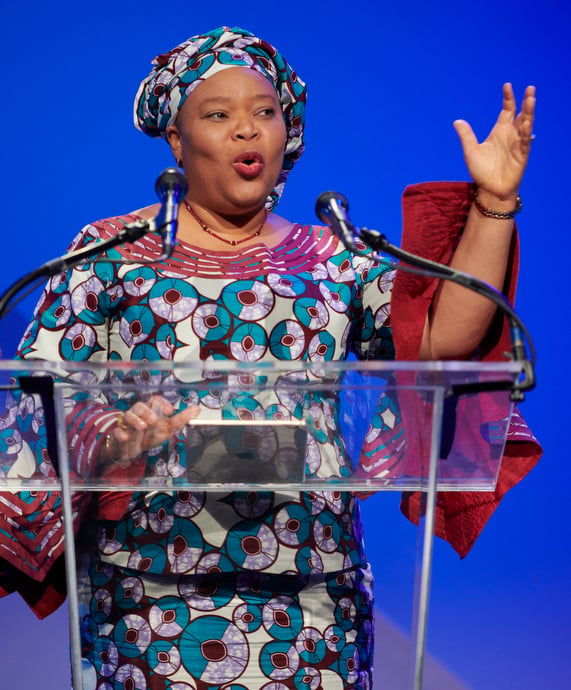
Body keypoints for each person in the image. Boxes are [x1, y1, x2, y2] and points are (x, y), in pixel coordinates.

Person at [0, 26, 541, 690]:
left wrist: (492, 204)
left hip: (313, 594)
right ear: (176, 139)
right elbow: (39, 397)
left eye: (264, 113)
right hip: (152, 591)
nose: (246, 131)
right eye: (218, 115)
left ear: (288, 135)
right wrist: (112, 436)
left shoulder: (334, 256)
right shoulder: (110, 255)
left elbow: (440, 342)